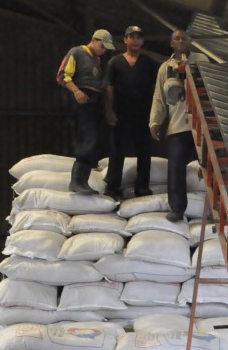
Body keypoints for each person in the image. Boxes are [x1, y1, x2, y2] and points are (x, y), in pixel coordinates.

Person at [56, 29, 114, 195]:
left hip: (95, 100)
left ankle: (84, 181)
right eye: (102, 46)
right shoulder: (77, 52)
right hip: (84, 98)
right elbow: (62, 75)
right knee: (88, 138)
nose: (104, 50)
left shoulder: (97, 60)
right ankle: (76, 181)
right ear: (94, 40)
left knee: (96, 140)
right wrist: (76, 91)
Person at [103, 25, 158, 200]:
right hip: (121, 114)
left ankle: (142, 186)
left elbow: (155, 89)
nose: (135, 40)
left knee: (144, 151)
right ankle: (112, 187)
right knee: (117, 152)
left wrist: (155, 115)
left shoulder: (149, 63)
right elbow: (109, 87)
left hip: (143, 115)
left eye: (138, 37)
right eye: (131, 36)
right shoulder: (115, 62)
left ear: (142, 41)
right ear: (125, 40)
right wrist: (109, 111)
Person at [150, 30, 198, 222]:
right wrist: (155, 121)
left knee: (209, 166)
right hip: (178, 125)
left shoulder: (200, 61)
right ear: (171, 43)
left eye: (183, 38)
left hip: (202, 124)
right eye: (176, 38)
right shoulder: (165, 68)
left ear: (189, 41)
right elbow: (159, 96)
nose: (180, 41)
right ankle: (177, 208)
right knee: (176, 167)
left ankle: (216, 206)